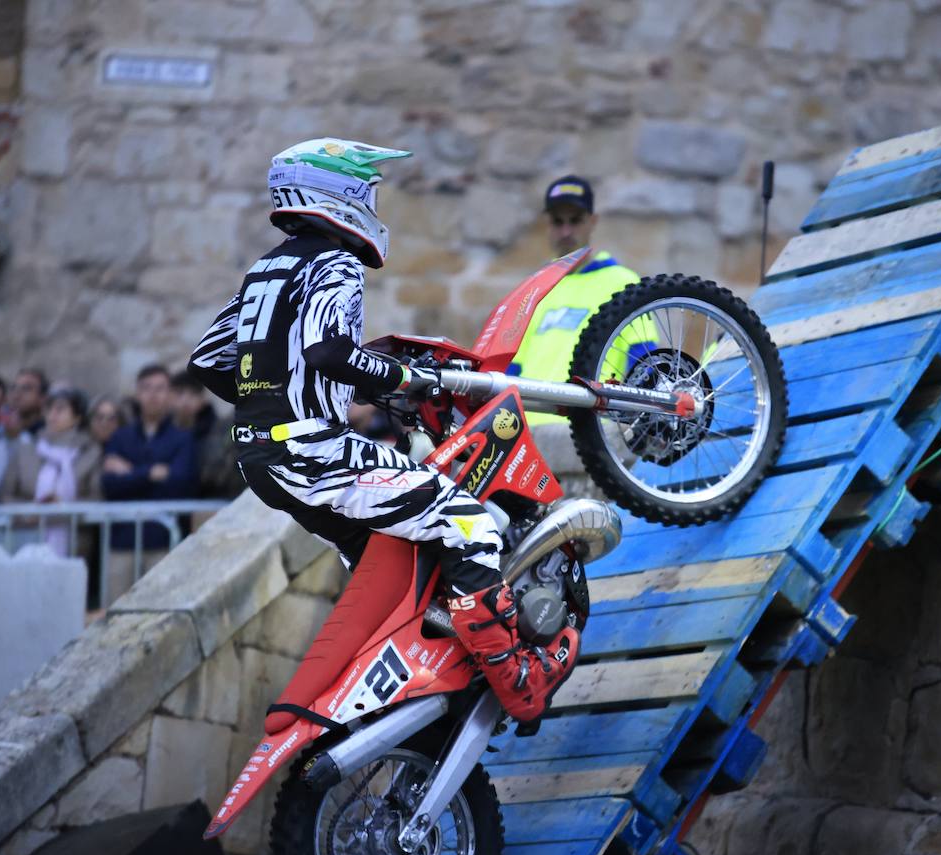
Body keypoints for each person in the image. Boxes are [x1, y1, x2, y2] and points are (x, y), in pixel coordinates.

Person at [187, 137, 578, 723]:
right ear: (338, 193)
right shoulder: (333, 262)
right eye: (367, 191)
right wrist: (406, 377)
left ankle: (430, 649)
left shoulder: (267, 267)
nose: (373, 202)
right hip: (311, 449)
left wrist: (268, 406)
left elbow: (209, 360)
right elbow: (330, 350)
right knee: (467, 522)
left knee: (387, 555)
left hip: (262, 458)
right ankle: (517, 680)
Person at [508, 175, 645, 426]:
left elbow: (643, 360)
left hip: (588, 432)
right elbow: (513, 369)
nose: (566, 231)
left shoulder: (622, 282)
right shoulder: (536, 287)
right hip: (527, 434)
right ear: (547, 225)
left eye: (575, 220)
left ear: (593, 221)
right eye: (558, 222)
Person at [101, 365, 197, 602]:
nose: (153, 395)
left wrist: (130, 472)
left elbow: (180, 485)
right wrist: (149, 473)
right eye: (146, 388)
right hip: (122, 541)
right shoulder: (120, 437)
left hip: (163, 541)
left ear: (170, 394)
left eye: (160, 388)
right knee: (114, 614)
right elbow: (109, 486)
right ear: (137, 393)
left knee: (162, 611)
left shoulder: (182, 438)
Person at [1, 387, 102, 555]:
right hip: (27, 536)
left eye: (60, 408)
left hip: (74, 541)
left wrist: (63, 507)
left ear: (77, 417)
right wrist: (30, 511)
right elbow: (6, 495)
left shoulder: (90, 452)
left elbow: (96, 497)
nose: (53, 414)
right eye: (49, 408)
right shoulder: (26, 448)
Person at [170, 371, 242, 501]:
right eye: (180, 393)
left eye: (193, 394)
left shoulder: (218, 431)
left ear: (202, 397)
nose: (186, 400)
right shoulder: (163, 431)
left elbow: (215, 475)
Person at [9, 368, 49, 439]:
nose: (16, 395)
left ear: (43, 397)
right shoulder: (2, 433)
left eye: (26, 389)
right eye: (13, 388)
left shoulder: (48, 439)